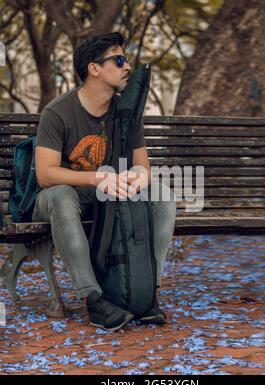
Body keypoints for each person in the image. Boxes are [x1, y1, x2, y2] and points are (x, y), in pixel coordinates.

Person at [32, 32, 176, 331]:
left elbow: (143, 167)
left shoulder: (126, 113)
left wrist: (135, 179)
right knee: (61, 195)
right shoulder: (58, 112)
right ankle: (93, 298)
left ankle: (147, 291)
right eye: (119, 60)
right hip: (60, 198)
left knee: (161, 194)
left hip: (107, 194)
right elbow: (46, 174)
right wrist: (98, 178)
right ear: (94, 69)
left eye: (127, 60)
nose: (127, 67)